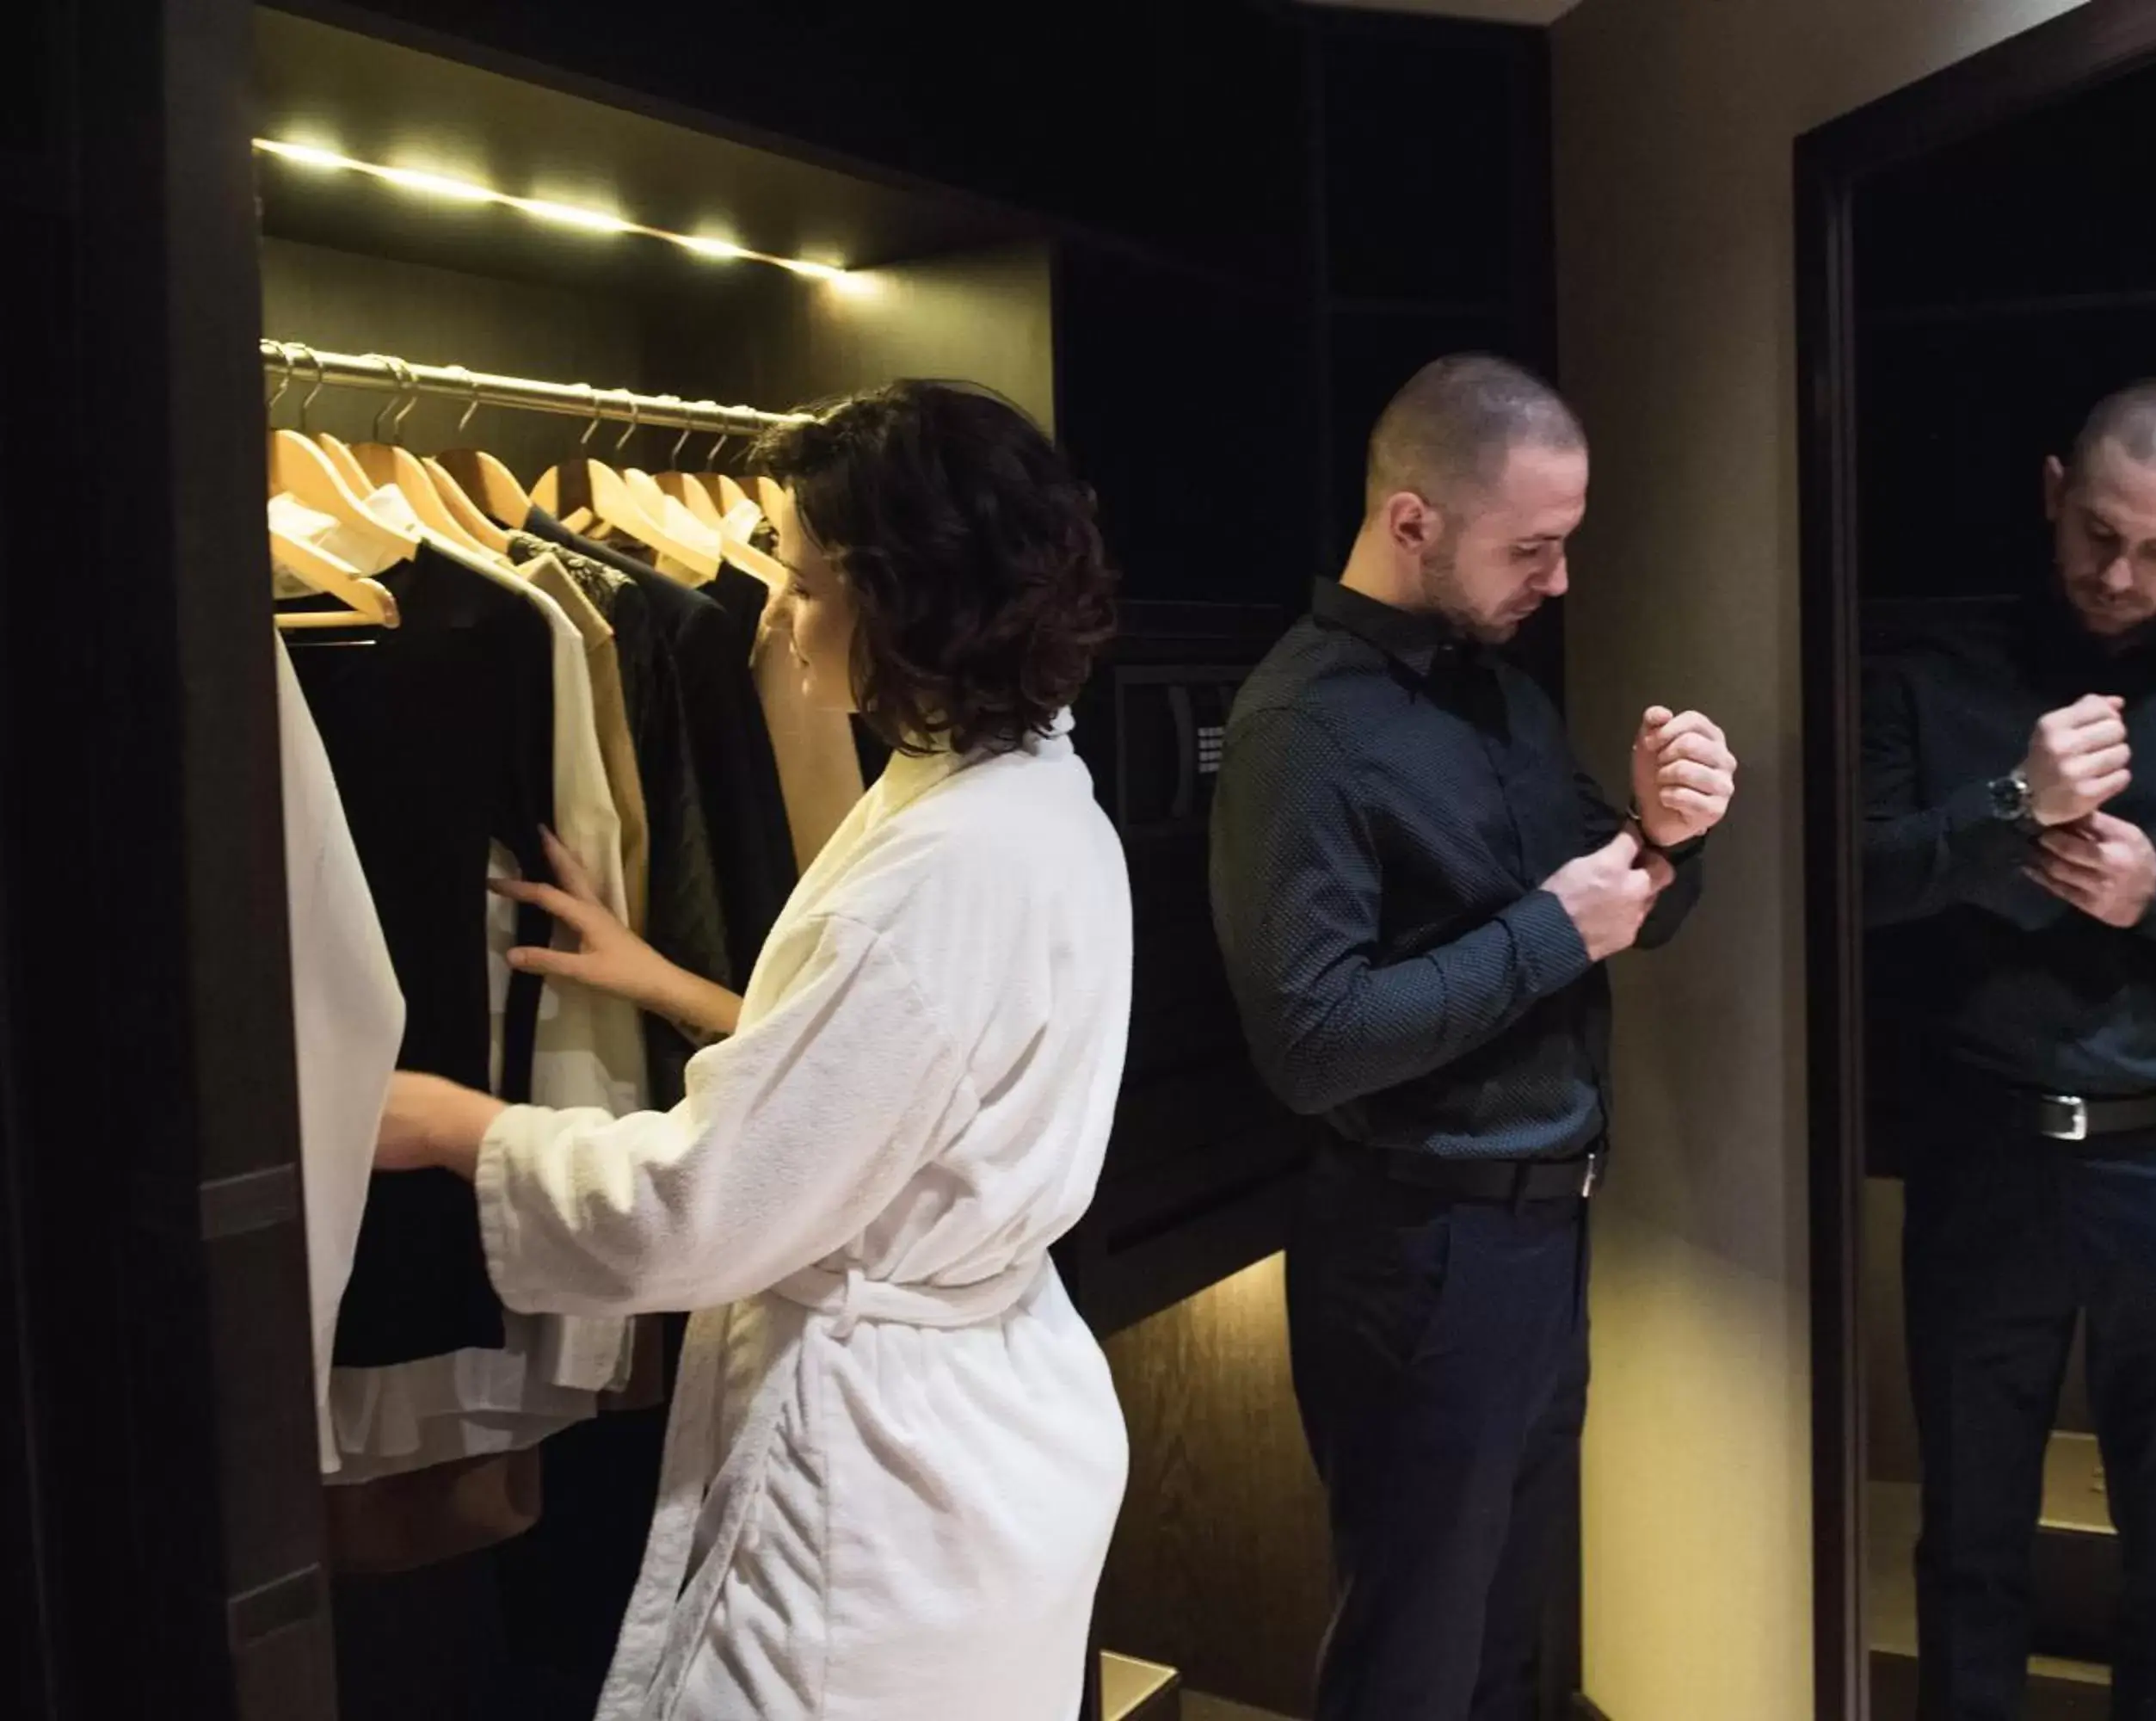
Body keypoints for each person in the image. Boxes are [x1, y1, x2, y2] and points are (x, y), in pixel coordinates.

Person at [373, 382, 1131, 1721]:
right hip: (993, 1416)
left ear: (905, 595)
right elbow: (915, 1082)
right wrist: (679, 984)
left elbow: (702, 1203)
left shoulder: (943, 863)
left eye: (794, 575)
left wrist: (455, 1124)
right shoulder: (1032, 793)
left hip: (887, 1476)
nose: (768, 610)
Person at [1210, 354, 1736, 1720]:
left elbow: (1619, 919)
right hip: (1412, 1252)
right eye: (1535, 549)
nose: (1559, 583)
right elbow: (1310, 1042)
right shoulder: (1297, 730)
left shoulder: (1501, 692)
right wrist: (1554, 929)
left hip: (1537, 1236)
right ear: (1410, 523)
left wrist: (1660, 842)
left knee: (1508, 1649)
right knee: (1412, 1665)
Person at [1862, 379, 2156, 1721]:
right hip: (1985, 1150)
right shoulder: (1933, 673)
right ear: (2056, 490)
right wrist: (2010, 806)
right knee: (1971, 1544)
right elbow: (1856, 885)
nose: (2121, 574)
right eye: (2099, 532)